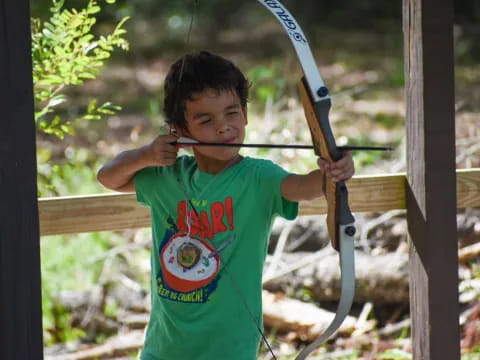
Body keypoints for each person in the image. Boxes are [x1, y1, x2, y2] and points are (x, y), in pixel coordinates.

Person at [97, 51, 355, 360]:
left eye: (232, 113)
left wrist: (335, 169)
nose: (223, 127)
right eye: (206, 120)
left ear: (245, 114)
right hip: (164, 349)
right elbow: (108, 177)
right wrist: (146, 155)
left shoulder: (259, 178)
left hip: (230, 350)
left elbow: (307, 185)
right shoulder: (166, 178)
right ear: (180, 130)